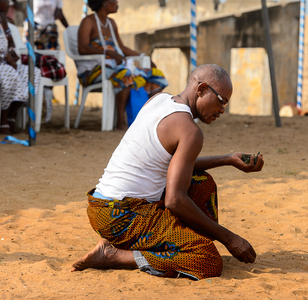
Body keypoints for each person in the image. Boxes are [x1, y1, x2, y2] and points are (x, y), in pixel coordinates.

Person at [71, 64, 264, 280]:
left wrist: (228, 159)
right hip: (123, 216)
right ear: (201, 89)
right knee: (207, 261)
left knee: (201, 182)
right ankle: (114, 256)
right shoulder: (190, 131)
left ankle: (183, 241)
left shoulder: (159, 100)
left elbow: (174, 165)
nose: (222, 109)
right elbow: (174, 200)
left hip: (102, 208)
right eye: (221, 101)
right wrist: (229, 238)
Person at [77, 0, 168, 130]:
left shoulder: (111, 23)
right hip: (93, 71)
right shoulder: (88, 22)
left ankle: (150, 119)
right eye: (114, 0)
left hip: (115, 68)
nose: (117, 3)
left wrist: (143, 57)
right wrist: (108, 53)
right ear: (104, 2)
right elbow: (83, 48)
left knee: (155, 76)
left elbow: (122, 48)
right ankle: (121, 120)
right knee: (126, 75)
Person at [0, 0, 41, 134]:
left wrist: (11, 53)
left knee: (32, 73)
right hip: (2, 64)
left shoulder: (4, 20)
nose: (8, 3)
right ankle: (3, 119)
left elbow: (10, 42)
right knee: (9, 73)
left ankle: (12, 114)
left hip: (4, 62)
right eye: (5, 0)